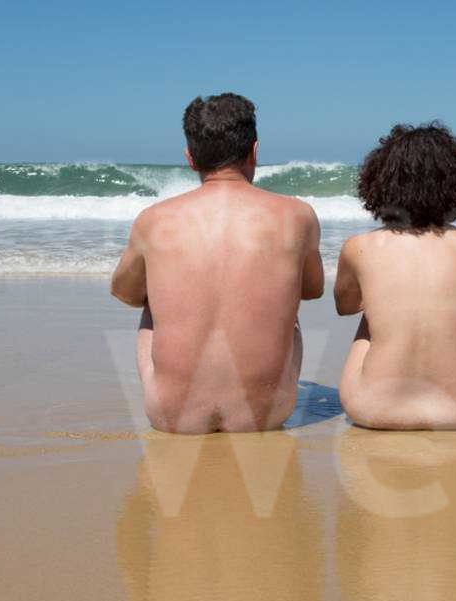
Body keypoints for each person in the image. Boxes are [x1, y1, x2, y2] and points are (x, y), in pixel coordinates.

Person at [111, 93, 324, 433]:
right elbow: (312, 290)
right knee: (289, 307)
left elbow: (124, 292)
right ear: (254, 151)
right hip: (267, 416)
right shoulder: (297, 215)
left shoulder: (153, 219)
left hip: (172, 418)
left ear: (190, 158)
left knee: (151, 299)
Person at [334, 122, 456, 430]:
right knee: (454, 321)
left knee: (371, 314)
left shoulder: (360, 246)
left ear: (380, 183)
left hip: (373, 411)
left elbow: (346, 306)